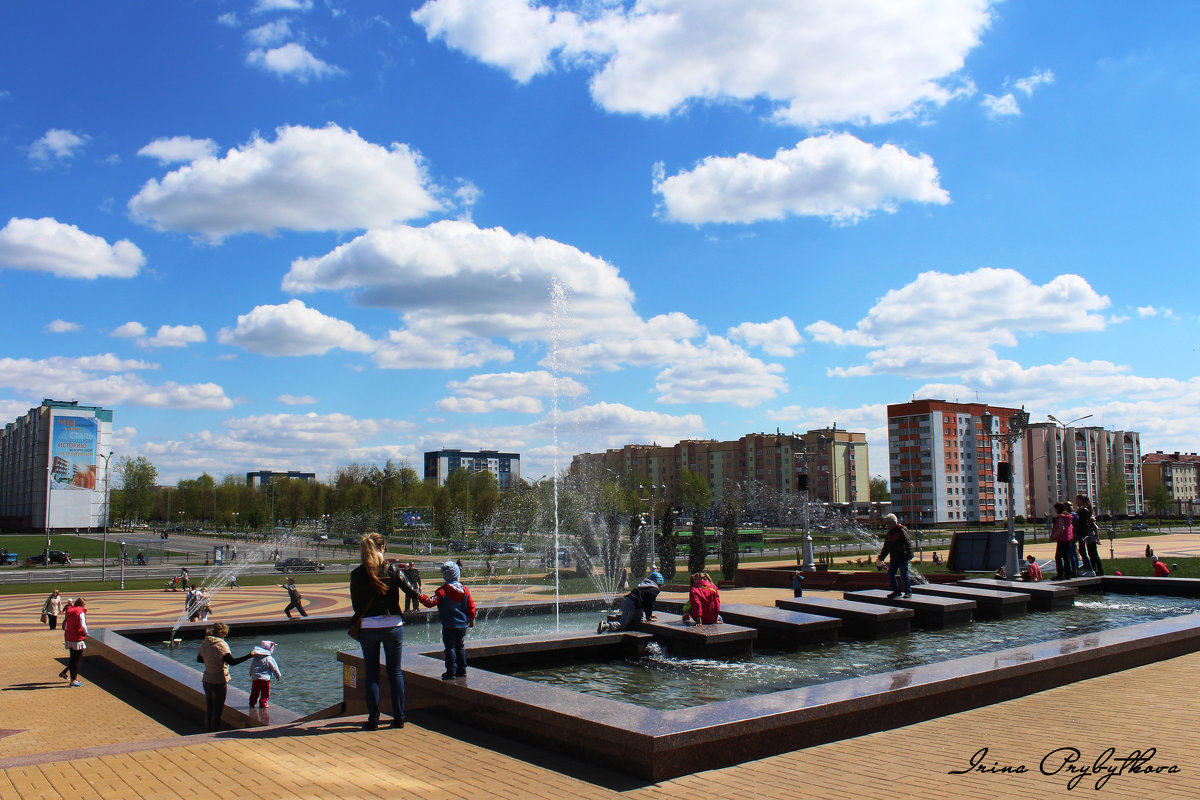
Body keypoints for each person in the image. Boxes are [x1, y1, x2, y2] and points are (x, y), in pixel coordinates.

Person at [350, 533, 421, 730]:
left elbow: (356, 605)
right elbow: (412, 592)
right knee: (394, 672)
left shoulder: (357, 573)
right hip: (393, 625)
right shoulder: (391, 569)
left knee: (372, 673)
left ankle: (373, 719)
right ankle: (399, 717)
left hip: (369, 626)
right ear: (382, 548)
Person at [419, 561, 477, 680]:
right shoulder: (465, 590)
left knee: (450, 647)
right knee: (460, 646)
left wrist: (420, 596)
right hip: (462, 625)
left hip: (449, 625)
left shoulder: (442, 591)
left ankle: (451, 671)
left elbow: (430, 603)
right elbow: (471, 607)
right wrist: (471, 619)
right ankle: (462, 670)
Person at [196, 622, 252, 732]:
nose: (225, 636)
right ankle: (215, 733)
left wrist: (210, 660)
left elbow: (199, 659)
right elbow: (232, 661)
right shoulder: (221, 644)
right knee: (217, 711)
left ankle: (207, 731)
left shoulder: (205, 642)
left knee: (209, 709)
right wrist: (250, 655)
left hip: (207, 679)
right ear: (222, 633)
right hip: (218, 681)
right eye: (225, 634)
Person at [598, 573, 662, 633]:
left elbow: (645, 602)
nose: (660, 587)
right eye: (660, 585)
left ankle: (625, 616)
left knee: (639, 617)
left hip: (629, 600)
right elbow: (649, 604)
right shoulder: (653, 590)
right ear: (658, 583)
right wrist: (649, 617)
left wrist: (649, 614)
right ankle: (605, 626)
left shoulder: (646, 585)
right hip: (631, 603)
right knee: (623, 623)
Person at [877, 514, 913, 599]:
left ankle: (908, 591)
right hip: (894, 558)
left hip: (902, 557)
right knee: (891, 574)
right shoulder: (889, 534)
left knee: (904, 574)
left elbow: (908, 543)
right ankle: (896, 591)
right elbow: (886, 548)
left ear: (893, 523)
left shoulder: (901, 531)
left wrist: (910, 554)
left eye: (888, 524)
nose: (887, 526)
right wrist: (881, 558)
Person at [59, 597, 87, 686]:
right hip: (77, 638)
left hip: (69, 637)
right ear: (82, 605)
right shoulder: (80, 612)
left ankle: (71, 677)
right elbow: (83, 625)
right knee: (77, 659)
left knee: (72, 658)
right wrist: (86, 632)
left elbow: (66, 625)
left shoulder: (70, 612)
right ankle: (74, 680)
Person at [1075, 495, 1104, 576]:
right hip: (1087, 536)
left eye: (1077, 500)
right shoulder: (1085, 510)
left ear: (1082, 500)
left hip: (1090, 536)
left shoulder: (1085, 511)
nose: (1076, 502)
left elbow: (1094, 526)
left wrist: (1097, 538)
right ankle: (1093, 569)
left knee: (1093, 554)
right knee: (1091, 554)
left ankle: (1098, 570)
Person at [247, 640, 281, 708]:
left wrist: (251, 673)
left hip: (256, 678)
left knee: (254, 691)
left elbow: (252, 666)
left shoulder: (256, 658)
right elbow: (274, 668)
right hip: (265, 679)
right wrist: (278, 675)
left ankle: (252, 703)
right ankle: (263, 703)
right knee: (265, 692)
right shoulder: (269, 658)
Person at [1051, 502, 1076, 580]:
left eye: (1055, 509)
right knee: (1066, 557)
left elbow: (1061, 528)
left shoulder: (1061, 517)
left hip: (1062, 539)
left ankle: (1060, 574)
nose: (1055, 511)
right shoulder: (1068, 517)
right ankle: (1067, 574)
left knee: (1058, 557)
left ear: (1058, 509)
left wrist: (1054, 536)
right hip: (1068, 538)